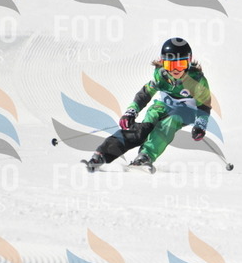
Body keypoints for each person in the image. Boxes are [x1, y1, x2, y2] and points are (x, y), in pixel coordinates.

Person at [83, 37, 212, 172]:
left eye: (180, 64)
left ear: (189, 61)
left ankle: (146, 156)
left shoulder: (197, 81)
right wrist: (131, 111)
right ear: (163, 63)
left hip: (185, 111)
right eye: (170, 65)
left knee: (168, 123)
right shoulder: (161, 75)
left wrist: (200, 125)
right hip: (162, 107)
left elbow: (204, 106)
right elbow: (145, 93)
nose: (175, 70)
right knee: (142, 131)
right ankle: (102, 155)